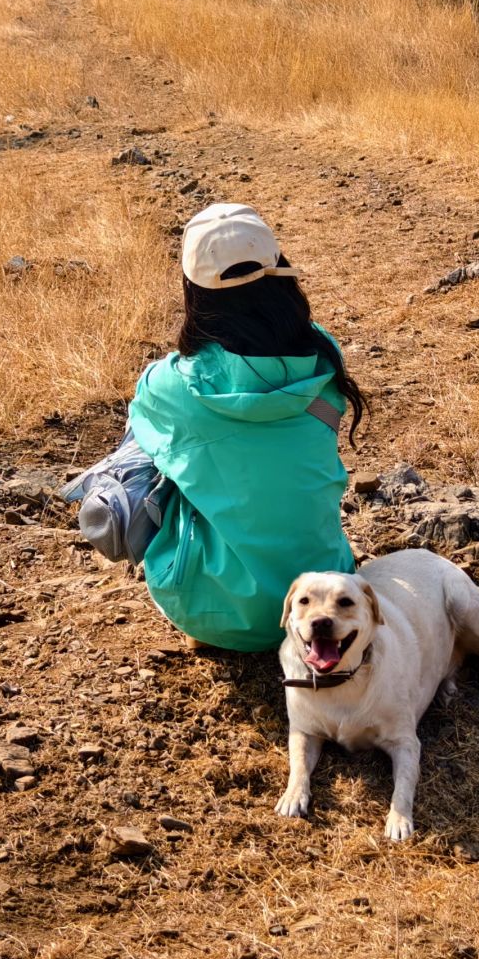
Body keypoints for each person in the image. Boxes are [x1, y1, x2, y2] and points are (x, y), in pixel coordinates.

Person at [128, 202, 367, 653]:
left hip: (213, 616)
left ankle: (206, 602)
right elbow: (315, 427)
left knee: (168, 453)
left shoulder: (167, 384)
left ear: (193, 290)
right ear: (279, 271)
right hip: (327, 600)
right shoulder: (322, 356)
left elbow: (144, 437)